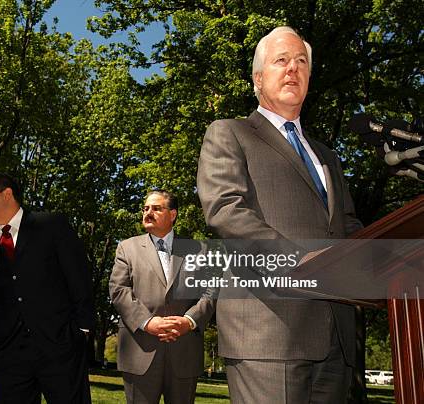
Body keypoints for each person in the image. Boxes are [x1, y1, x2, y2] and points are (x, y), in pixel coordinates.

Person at [197, 26, 363, 403]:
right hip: (269, 331)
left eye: (301, 61)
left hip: (335, 334)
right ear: (258, 78)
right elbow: (226, 210)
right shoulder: (229, 133)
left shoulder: (326, 156)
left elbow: (349, 226)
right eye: (281, 60)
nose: (293, 69)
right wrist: (302, 261)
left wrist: (379, 259)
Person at [0, 173, 94, 404]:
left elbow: (79, 277)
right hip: (6, 358)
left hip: (61, 350)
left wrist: (81, 331)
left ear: (7, 194)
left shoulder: (51, 225)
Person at [109, 190, 214, 404]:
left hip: (184, 350)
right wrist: (147, 322)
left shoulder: (199, 250)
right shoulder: (127, 248)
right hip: (140, 351)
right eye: (146, 208)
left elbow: (210, 292)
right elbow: (118, 290)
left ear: (173, 214)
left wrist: (189, 321)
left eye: (156, 208)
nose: (148, 213)